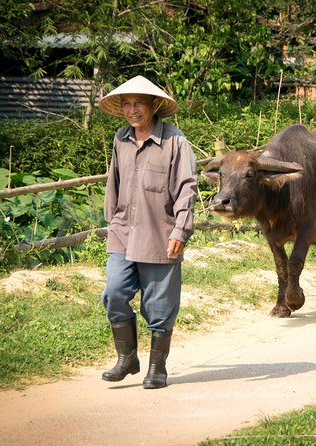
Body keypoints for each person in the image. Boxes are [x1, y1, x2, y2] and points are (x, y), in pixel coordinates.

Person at [96, 75, 197, 389]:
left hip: (160, 233)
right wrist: (112, 222)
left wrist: (180, 230)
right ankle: (127, 358)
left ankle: (157, 368)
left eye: (138, 103)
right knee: (113, 293)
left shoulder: (175, 142)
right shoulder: (120, 139)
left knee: (159, 305)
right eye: (126, 104)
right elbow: (113, 182)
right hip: (123, 232)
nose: (132, 110)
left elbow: (186, 188)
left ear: (155, 105)